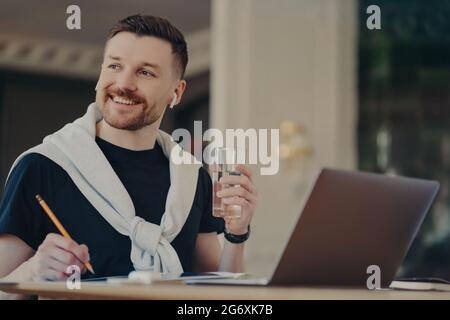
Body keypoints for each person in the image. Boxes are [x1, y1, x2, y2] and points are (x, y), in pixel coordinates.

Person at [0, 14, 257, 298]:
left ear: (176, 92)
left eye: (145, 72)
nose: (123, 83)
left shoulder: (193, 176)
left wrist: (236, 234)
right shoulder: (41, 167)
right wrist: (33, 270)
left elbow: (219, 294)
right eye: (114, 66)